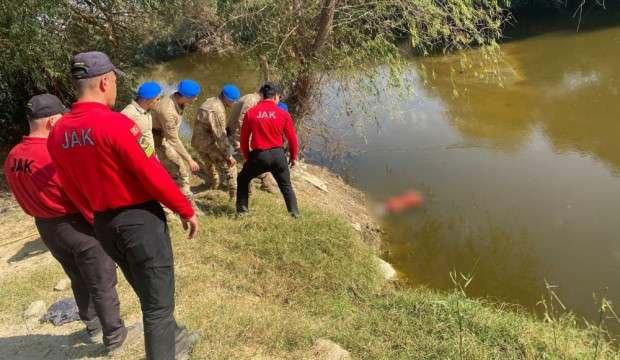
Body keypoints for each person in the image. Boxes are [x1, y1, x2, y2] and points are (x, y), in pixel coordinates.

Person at [47, 51, 200, 360]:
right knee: (158, 307)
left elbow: (71, 187)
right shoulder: (116, 124)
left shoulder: (58, 133)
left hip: (104, 224)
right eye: (114, 80)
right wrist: (185, 209)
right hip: (139, 222)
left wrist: (95, 217)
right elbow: (152, 174)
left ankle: (175, 339)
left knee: (148, 291)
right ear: (105, 81)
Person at [4, 94, 127, 353]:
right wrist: (101, 224)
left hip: (46, 228)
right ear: (51, 122)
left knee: (77, 276)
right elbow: (80, 194)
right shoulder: (52, 152)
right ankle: (114, 335)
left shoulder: (14, 156)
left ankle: (91, 323)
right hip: (76, 226)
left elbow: (21, 195)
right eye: (61, 117)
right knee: (101, 279)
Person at [236, 82, 300, 217]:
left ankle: (242, 212)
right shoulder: (283, 114)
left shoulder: (251, 113)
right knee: (286, 186)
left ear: (262, 96)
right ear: (276, 96)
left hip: (259, 155)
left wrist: (249, 157)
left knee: (242, 179)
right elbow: (292, 139)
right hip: (278, 155)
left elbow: (243, 140)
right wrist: (294, 157)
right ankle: (295, 215)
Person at [152, 79, 201, 200]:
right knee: (181, 170)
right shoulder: (167, 111)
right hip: (155, 140)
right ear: (184, 96)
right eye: (193, 97)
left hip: (164, 136)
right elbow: (173, 140)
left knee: (170, 170)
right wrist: (189, 160)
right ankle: (186, 203)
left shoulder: (178, 99)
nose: (195, 99)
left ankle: (173, 196)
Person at [192, 84, 239, 199]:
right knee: (230, 167)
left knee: (208, 164)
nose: (235, 103)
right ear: (227, 99)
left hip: (197, 141)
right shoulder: (217, 110)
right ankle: (234, 196)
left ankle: (213, 184)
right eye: (234, 101)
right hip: (207, 144)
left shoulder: (211, 101)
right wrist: (229, 155)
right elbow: (220, 137)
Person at [227, 91, 277, 193]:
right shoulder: (252, 100)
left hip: (236, 134)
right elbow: (242, 121)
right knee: (251, 158)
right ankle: (261, 183)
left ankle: (263, 180)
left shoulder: (252, 98)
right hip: (234, 135)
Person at [121, 81, 162, 156]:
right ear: (147, 100)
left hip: (149, 155)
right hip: (139, 157)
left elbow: (141, 137)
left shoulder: (145, 111)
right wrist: (150, 154)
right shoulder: (129, 113)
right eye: (157, 99)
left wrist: (152, 155)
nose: (159, 101)